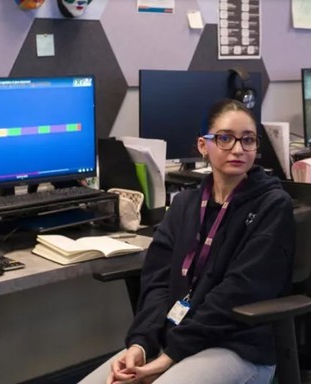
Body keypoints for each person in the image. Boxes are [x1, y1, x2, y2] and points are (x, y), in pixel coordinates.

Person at [89, 99, 295, 384]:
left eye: (248, 140)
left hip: (237, 346)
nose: (238, 149)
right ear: (203, 146)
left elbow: (239, 291)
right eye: (225, 138)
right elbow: (157, 282)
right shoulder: (186, 205)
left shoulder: (273, 205)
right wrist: (141, 343)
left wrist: (168, 358)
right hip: (175, 339)